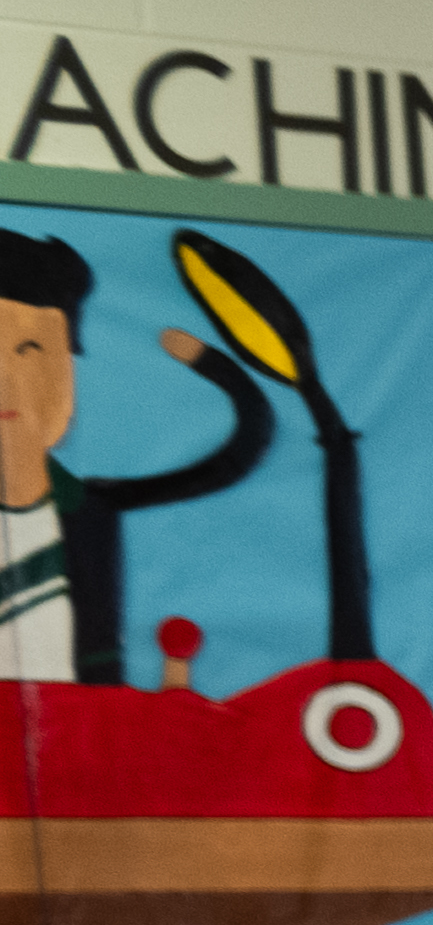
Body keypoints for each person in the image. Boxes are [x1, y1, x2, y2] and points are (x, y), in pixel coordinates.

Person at [0, 229, 270, 686]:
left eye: (33, 352)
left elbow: (237, 454)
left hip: (80, 739)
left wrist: (216, 367)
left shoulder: (91, 508)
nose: (10, 381)